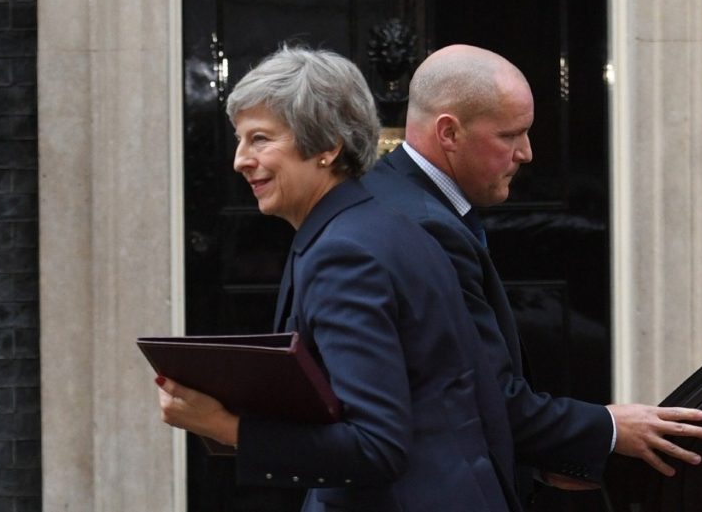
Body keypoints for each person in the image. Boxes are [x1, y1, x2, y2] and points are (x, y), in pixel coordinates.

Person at [154, 45, 522, 512]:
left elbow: (376, 445)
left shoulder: (345, 253)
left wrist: (224, 426)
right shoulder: (374, 227)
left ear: (328, 146)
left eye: (261, 139)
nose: (240, 160)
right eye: (240, 140)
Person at [362, 44, 702, 495]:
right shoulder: (430, 226)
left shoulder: (388, 193)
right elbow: (481, 399)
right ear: (448, 132)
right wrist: (609, 427)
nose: (526, 152)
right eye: (510, 135)